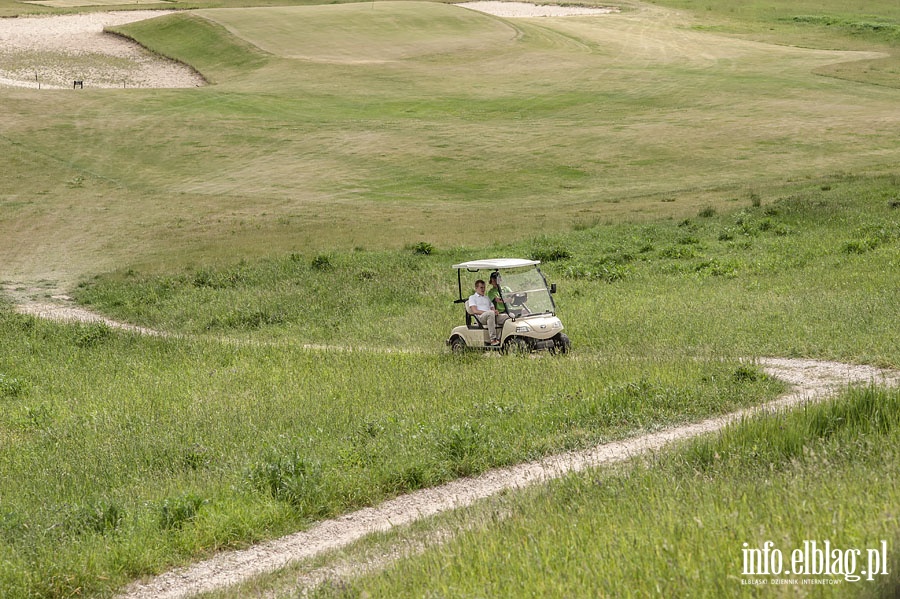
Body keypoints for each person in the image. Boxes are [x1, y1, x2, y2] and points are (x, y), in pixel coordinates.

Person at [467, 279, 507, 346]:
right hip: (481, 318)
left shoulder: (486, 298)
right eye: (481, 288)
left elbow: (492, 307)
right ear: (476, 288)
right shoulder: (472, 298)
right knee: (490, 313)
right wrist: (490, 312)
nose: (483, 289)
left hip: (490, 316)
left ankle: (502, 337)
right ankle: (493, 339)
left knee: (507, 316)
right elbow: (475, 311)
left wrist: (495, 311)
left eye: (484, 287)